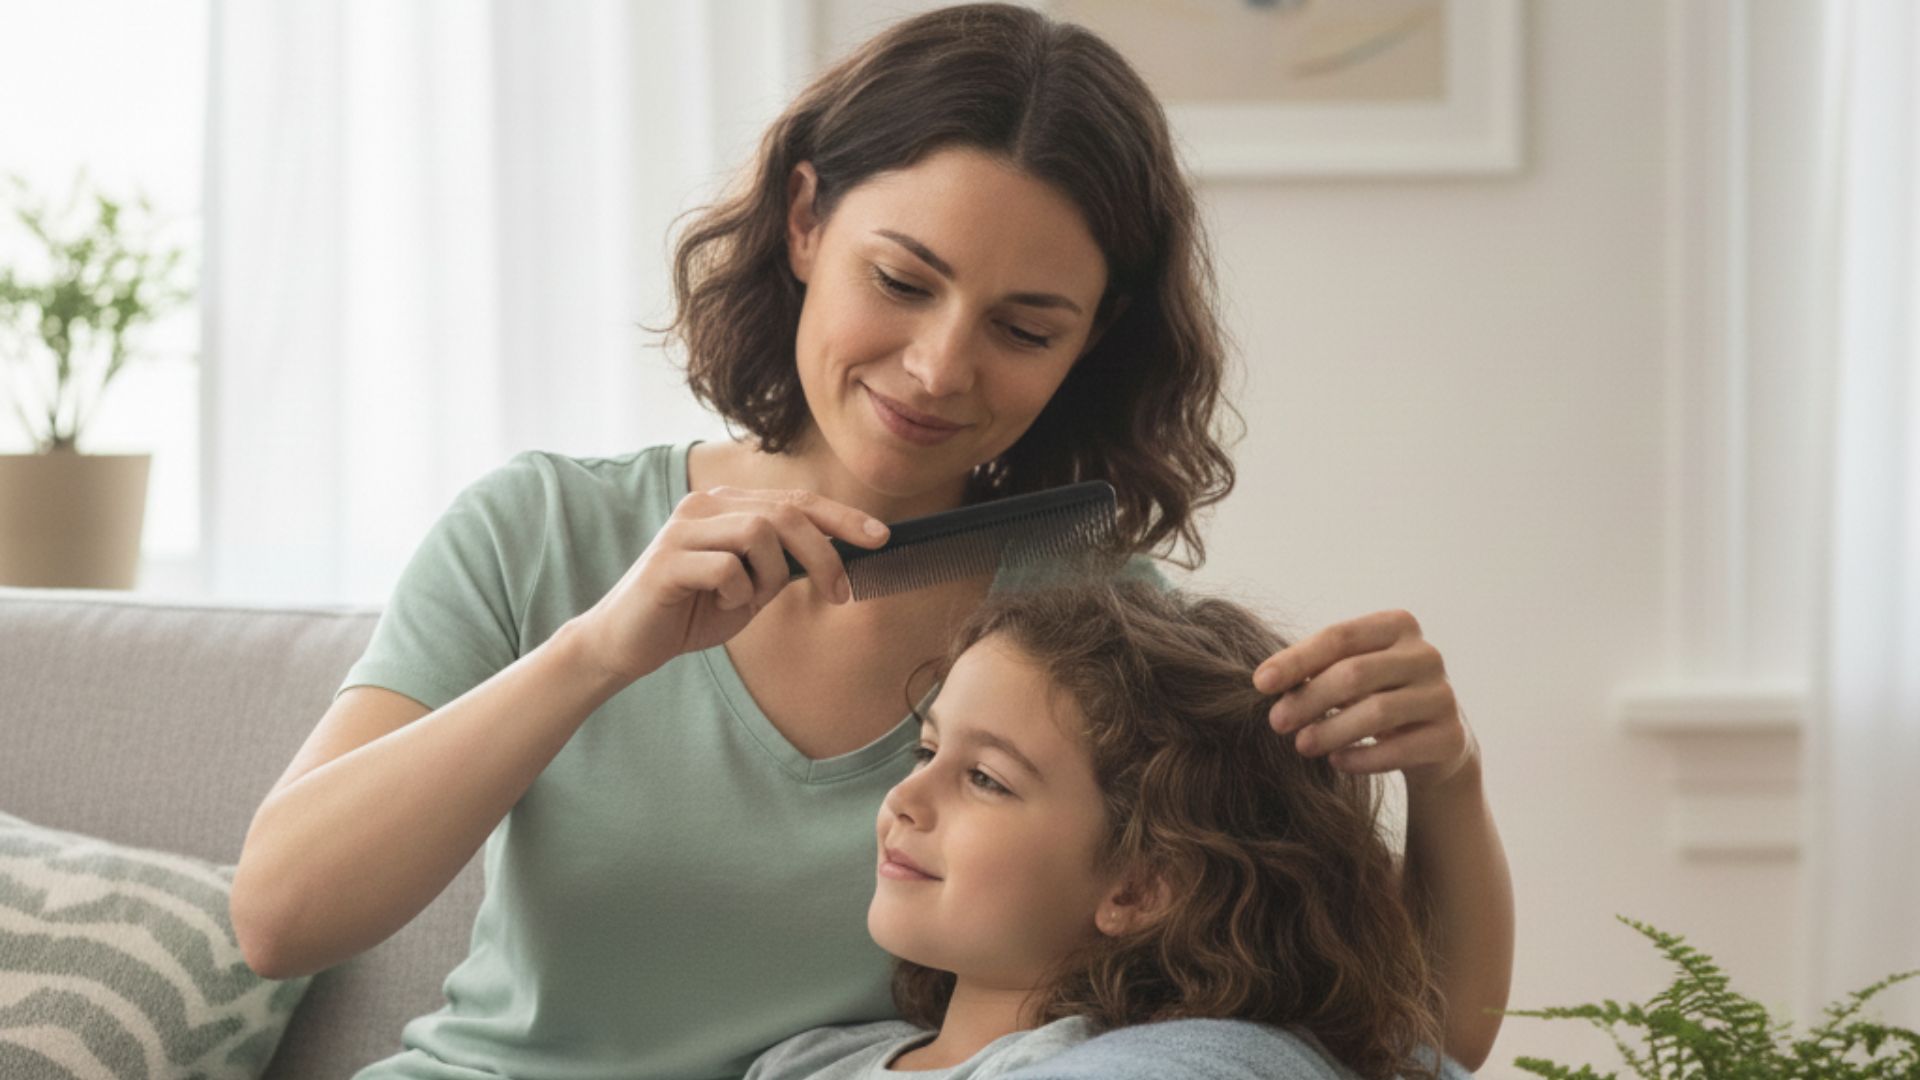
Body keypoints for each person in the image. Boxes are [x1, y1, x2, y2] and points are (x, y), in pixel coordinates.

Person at [229, 5, 1514, 1079]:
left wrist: (1444, 775)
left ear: (1091, 342)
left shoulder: (1089, 627)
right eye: (902, 281)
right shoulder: (545, 531)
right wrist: (598, 655)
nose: (938, 366)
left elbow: (1410, 1040)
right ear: (804, 224)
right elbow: (281, 918)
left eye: (1025, 328)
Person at [743, 577, 1469, 1080]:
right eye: (928, 750)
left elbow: (1440, 1032)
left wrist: (1452, 775)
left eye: (986, 779)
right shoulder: (805, 1060)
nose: (905, 796)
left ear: (1139, 887)